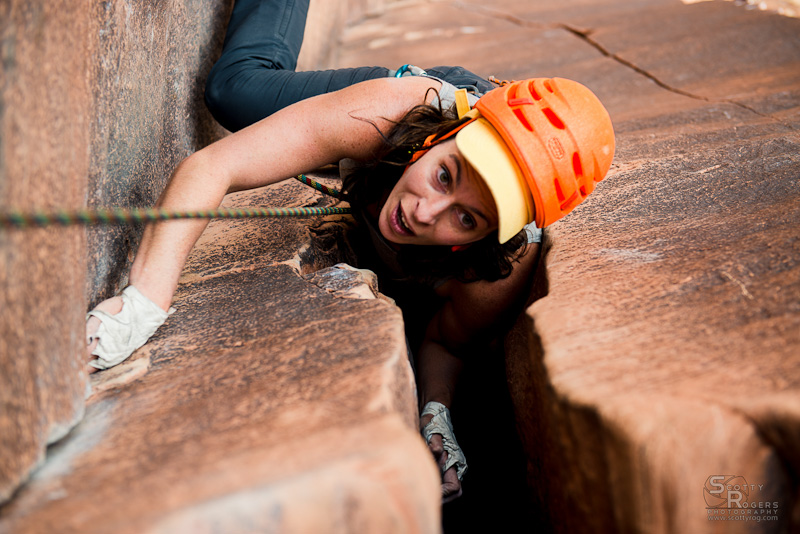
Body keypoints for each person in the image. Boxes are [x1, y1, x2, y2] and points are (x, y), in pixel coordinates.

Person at [85, 0, 615, 503]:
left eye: (466, 218)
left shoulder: (496, 267)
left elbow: (448, 343)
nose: (425, 212)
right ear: (439, 140)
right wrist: (144, 301)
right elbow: (214, 165)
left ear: (489, 236)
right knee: (235, 90)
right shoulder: (397, 114)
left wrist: (436, 414)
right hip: (410, 125)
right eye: (444, 176)